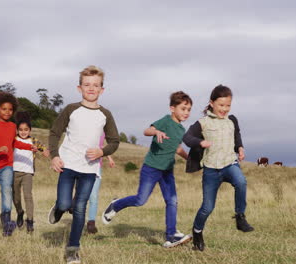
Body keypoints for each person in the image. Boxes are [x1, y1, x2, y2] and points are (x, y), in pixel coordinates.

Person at [102, 91, 193, 248]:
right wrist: (156, 131)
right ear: (173, 108)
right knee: (140, 200)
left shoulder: (181, 130)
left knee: (172, 201)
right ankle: (116, 205)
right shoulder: (165, 120)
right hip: (151, 168)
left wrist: (190, 160)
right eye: (183, 108)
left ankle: (171, 236)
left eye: (189, 109)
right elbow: (147, 131)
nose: (186, 112)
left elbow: (177, 149)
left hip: (167, 171)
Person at [48, 65, 119, 264]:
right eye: (87, 84)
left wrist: (101, 152)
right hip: (68, 164)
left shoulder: (105, 114)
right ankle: (59, 207)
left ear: (101, 90)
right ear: (79, 88)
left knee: (80, 208)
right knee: (64, 203)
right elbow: (55, 133)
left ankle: (73, 249)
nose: (91, 88)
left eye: (95, 85)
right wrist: (54, 156)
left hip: (89, 169)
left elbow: (114, 141)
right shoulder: (71, 109)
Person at [182, 84, 254, 252]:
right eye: (221, 105)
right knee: (207, 207)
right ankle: (197, 231)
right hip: (211, 170)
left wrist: (240, 148)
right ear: (212, 103)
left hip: (230, 164)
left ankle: (240, 217)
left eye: (228, 105)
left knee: (241, 182)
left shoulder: (232, 120)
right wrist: (200, 142)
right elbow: (187, 137)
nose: (224, 109)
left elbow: (236, 135)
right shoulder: (202, 123)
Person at [0, 92, 36, 237]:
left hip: (7, 166)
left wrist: (30, 147)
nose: (7, 112)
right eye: (4, 109)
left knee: (7, 192)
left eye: (10, 109)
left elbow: (14, 142)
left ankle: (7, 224)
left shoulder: (12, 126)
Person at [12, 112, 50, 233]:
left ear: (30, 130)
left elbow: (46, 151)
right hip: (14, 172)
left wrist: (41, 151)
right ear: (17, 130)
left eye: (26, 129)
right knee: (16, 197)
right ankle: (20, 212)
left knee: (28, 196)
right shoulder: (13, 140)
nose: (23, 132)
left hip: (28, 172)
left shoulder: (34, 141)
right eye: (21, 129)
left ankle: (30, 221)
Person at [86, 134, 115, 234]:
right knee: (82, 196)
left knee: (94, 196)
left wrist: (109, 158)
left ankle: (91, 224)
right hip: (82, 166)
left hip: (97, 167)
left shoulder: (102, 131)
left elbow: (101, 147)